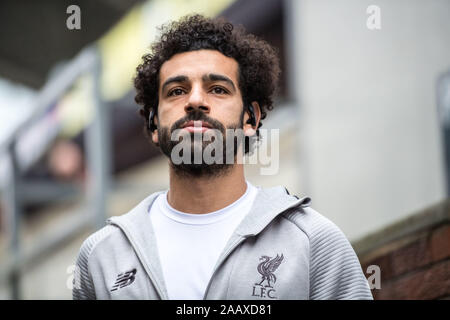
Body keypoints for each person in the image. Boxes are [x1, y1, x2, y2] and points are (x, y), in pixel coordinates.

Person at [72, 14, 373, 300]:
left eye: (217, 89)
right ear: (153, 124)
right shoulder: (101, 256)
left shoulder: (314, 243)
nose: (195, 101)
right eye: (177, 91)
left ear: (250, 119)